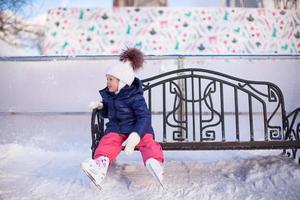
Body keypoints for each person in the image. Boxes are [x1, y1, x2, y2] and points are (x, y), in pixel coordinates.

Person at [81, 47, 164, 189]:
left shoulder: (135, 97)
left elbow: (144, 117)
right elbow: (109, 113)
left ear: (122, 81)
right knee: (107, 141)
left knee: (148, 143)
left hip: (137, 130)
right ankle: (100, 165)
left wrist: (136, 134)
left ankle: (155, 163)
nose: (108, 82)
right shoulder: (111, 95)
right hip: (117, 129)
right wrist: (101, 107)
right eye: (107, 79)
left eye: (111, 79)